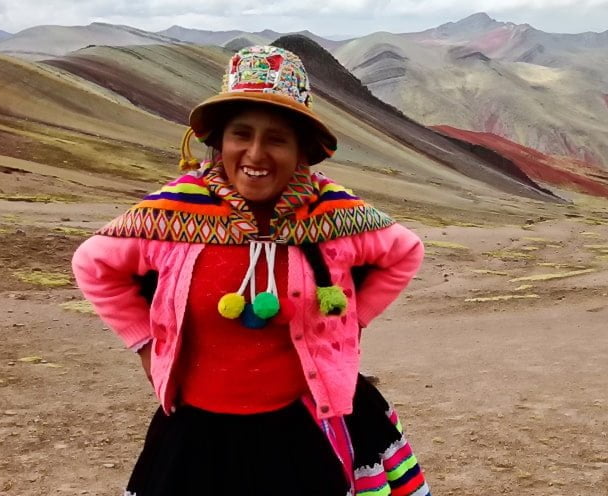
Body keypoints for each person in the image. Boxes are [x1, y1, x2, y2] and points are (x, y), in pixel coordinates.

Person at [72, 45, 430, 496]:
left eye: (277, 138)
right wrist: (144, 341)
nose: (255, 153)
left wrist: (352, 320)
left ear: (302, 149)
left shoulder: (332, 213)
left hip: (304, 427)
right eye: (241, 134)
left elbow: (405, 252)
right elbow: (93, 264)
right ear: (219, 141)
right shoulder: (173, 213)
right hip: (197, 434)